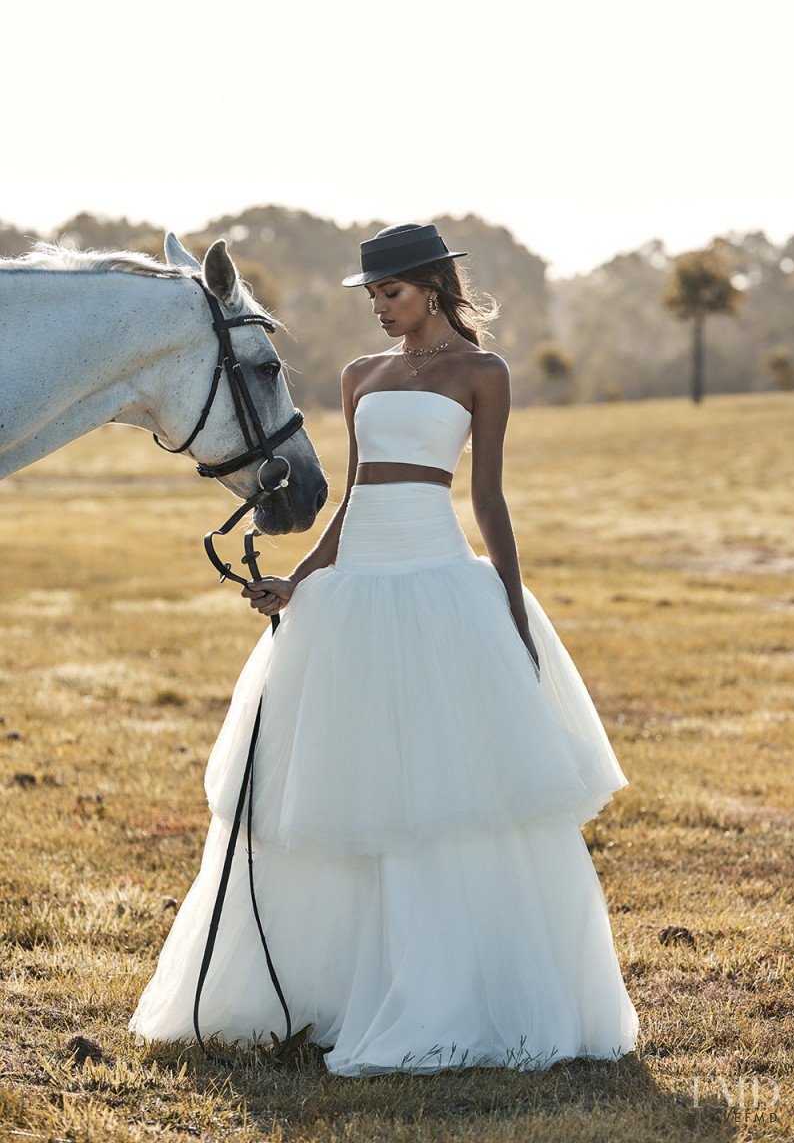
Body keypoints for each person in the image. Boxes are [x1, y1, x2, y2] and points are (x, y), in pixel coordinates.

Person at [130, 223, 639, 1076]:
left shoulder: (484, 373)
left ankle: (454, 989)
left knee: (450, 789)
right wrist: (298, 580)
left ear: (433, 288)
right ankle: (335, 989)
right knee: (342, 787)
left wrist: (510, 606)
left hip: (440, 576)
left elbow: (489, 499)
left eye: (390, 295)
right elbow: (354, 496)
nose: (377, 310)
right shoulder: (361, 376)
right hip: (357, 583)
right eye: (370, 297)